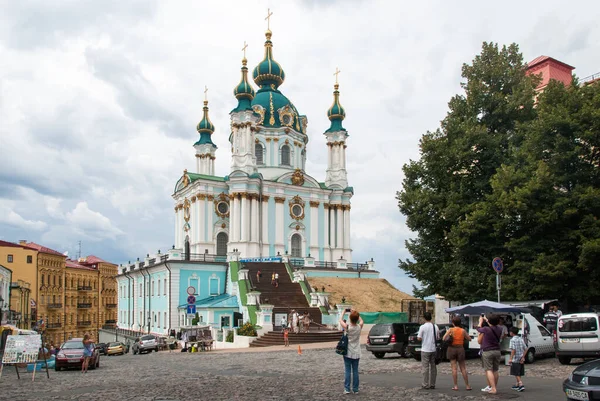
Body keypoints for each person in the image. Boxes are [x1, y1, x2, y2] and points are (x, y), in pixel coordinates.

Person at [443, 316, 472, 391]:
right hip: (460, 349)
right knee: (463, 368)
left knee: (454, 368)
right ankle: (467, 385)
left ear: (453, 323)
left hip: (451, 349)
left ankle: (455, 385)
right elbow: (469, 339)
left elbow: (444, 338)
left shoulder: (450, 330)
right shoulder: (463, 330)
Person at [477, 314, 503, 394]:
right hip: (497, 350)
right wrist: (487, 319)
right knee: (495, 370)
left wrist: (480, 322)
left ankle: (493, 388)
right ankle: (494, 386)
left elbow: (478, 329)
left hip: (487, 351)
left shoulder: (486, 329)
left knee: (488, 369)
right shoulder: (500, 328)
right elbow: (492, 325)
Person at [339, 309, 363, 394]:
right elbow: (361, 320)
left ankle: (347, 388)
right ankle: (355, 389)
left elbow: (340, 320)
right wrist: (355, 312)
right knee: (355, 371)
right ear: (356, 319)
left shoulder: (347, 327)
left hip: (348, 352)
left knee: (347, 370)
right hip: (357, 351)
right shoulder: (359, 327)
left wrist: (344, 312)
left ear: (350, 318)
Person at [417, 312, 439, 390]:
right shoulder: (435, 326)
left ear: (424, 318)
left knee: (425, 368)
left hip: (425, 349)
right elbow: (438, 337)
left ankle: (425, 384)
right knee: (433, 367)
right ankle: (433, 383)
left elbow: (419, 338)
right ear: (431, 318)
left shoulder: (422, 327)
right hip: (433, 348)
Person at [508, 326, 528, 392]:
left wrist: (510, 358)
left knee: (516, 372)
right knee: (519, 372)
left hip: (515, 358)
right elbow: (525, 348)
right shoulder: (520, 339)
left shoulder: (512, 340)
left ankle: (520, 384)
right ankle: (517, 385)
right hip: (521, 358)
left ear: (511, 333)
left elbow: (513, 350)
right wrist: (523, 357)